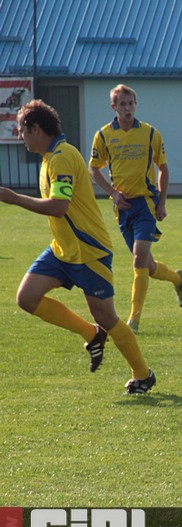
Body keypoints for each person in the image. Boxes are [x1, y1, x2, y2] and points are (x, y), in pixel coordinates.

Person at [0, 100, 156, 394]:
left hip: (88, 251)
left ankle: (143, 374)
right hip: (63, 250)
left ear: (36, 128)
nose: (20, 137)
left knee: (107, 318)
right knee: (27, 298)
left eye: (22, 130)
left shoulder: (61, 157)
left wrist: (13, 198)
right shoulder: (50, 156)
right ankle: (91, 335)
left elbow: (60, 206)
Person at [89, 84, 182, 334]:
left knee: (138, 257)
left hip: (145, 204)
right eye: (122, 104)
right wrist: (112, 194)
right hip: (123, 209)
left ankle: (133, 320)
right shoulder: (103, 136)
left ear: (136, 105)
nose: (127, 108)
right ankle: (178, 279)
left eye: (131, 103)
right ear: (114, 107)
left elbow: (163, 168)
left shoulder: (150, 133)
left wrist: (162, 202)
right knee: (148, 265)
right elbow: (93, 168)